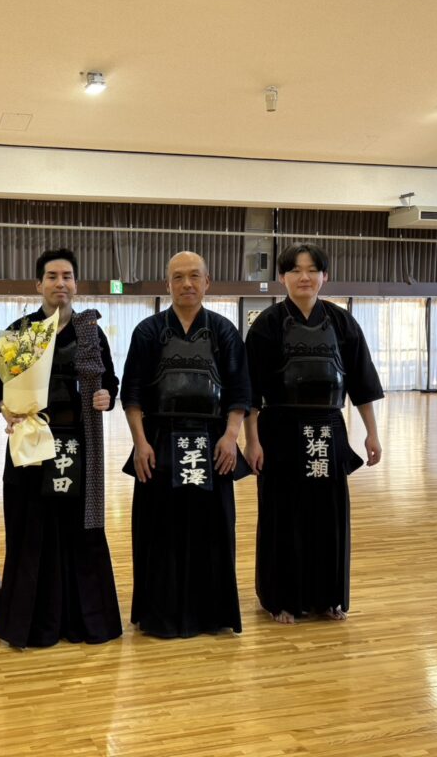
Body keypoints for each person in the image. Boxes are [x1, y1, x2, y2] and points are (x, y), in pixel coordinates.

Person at [244, 243, 383, 624]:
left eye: (311, 270)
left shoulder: (342, 323)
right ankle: (281, 599)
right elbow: (250, 391)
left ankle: (328, 597)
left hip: (328, 429)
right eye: (295, 270)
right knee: (282, 515)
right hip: (280, 431)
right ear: (282, 277)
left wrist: (371, 433)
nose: (303, 277)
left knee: (328, 516)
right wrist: (252, 441)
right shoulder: (267, 325)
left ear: (325, 276)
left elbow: (362, 382)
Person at [0, 248, 122, 649]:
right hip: (34, 445)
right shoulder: (22, 330)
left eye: (67, 276)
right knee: (33, 528)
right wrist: (7, 410)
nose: (60, 283)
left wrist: (106, 396)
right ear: (39, 285)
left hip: (81, 444)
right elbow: (4, 391)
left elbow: (110, 382)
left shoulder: (90, 331)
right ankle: (34, 624)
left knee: (79, 530)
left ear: (76, 284)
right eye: (52, 276)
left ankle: (85, 620)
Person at [121, 251, 251, 638]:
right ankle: (159, 615)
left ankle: (211, 614)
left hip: (213, 443)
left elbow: (239, 390)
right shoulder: (147, 331)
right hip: (159, 440)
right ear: (168, 285)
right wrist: (140, 443)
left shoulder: (224, 331)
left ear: (207, 282)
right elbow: (132, 394)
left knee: (213, 531)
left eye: (195, 276)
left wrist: (231, 436)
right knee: (159, 531)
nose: (187, 284)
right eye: (178, 277)